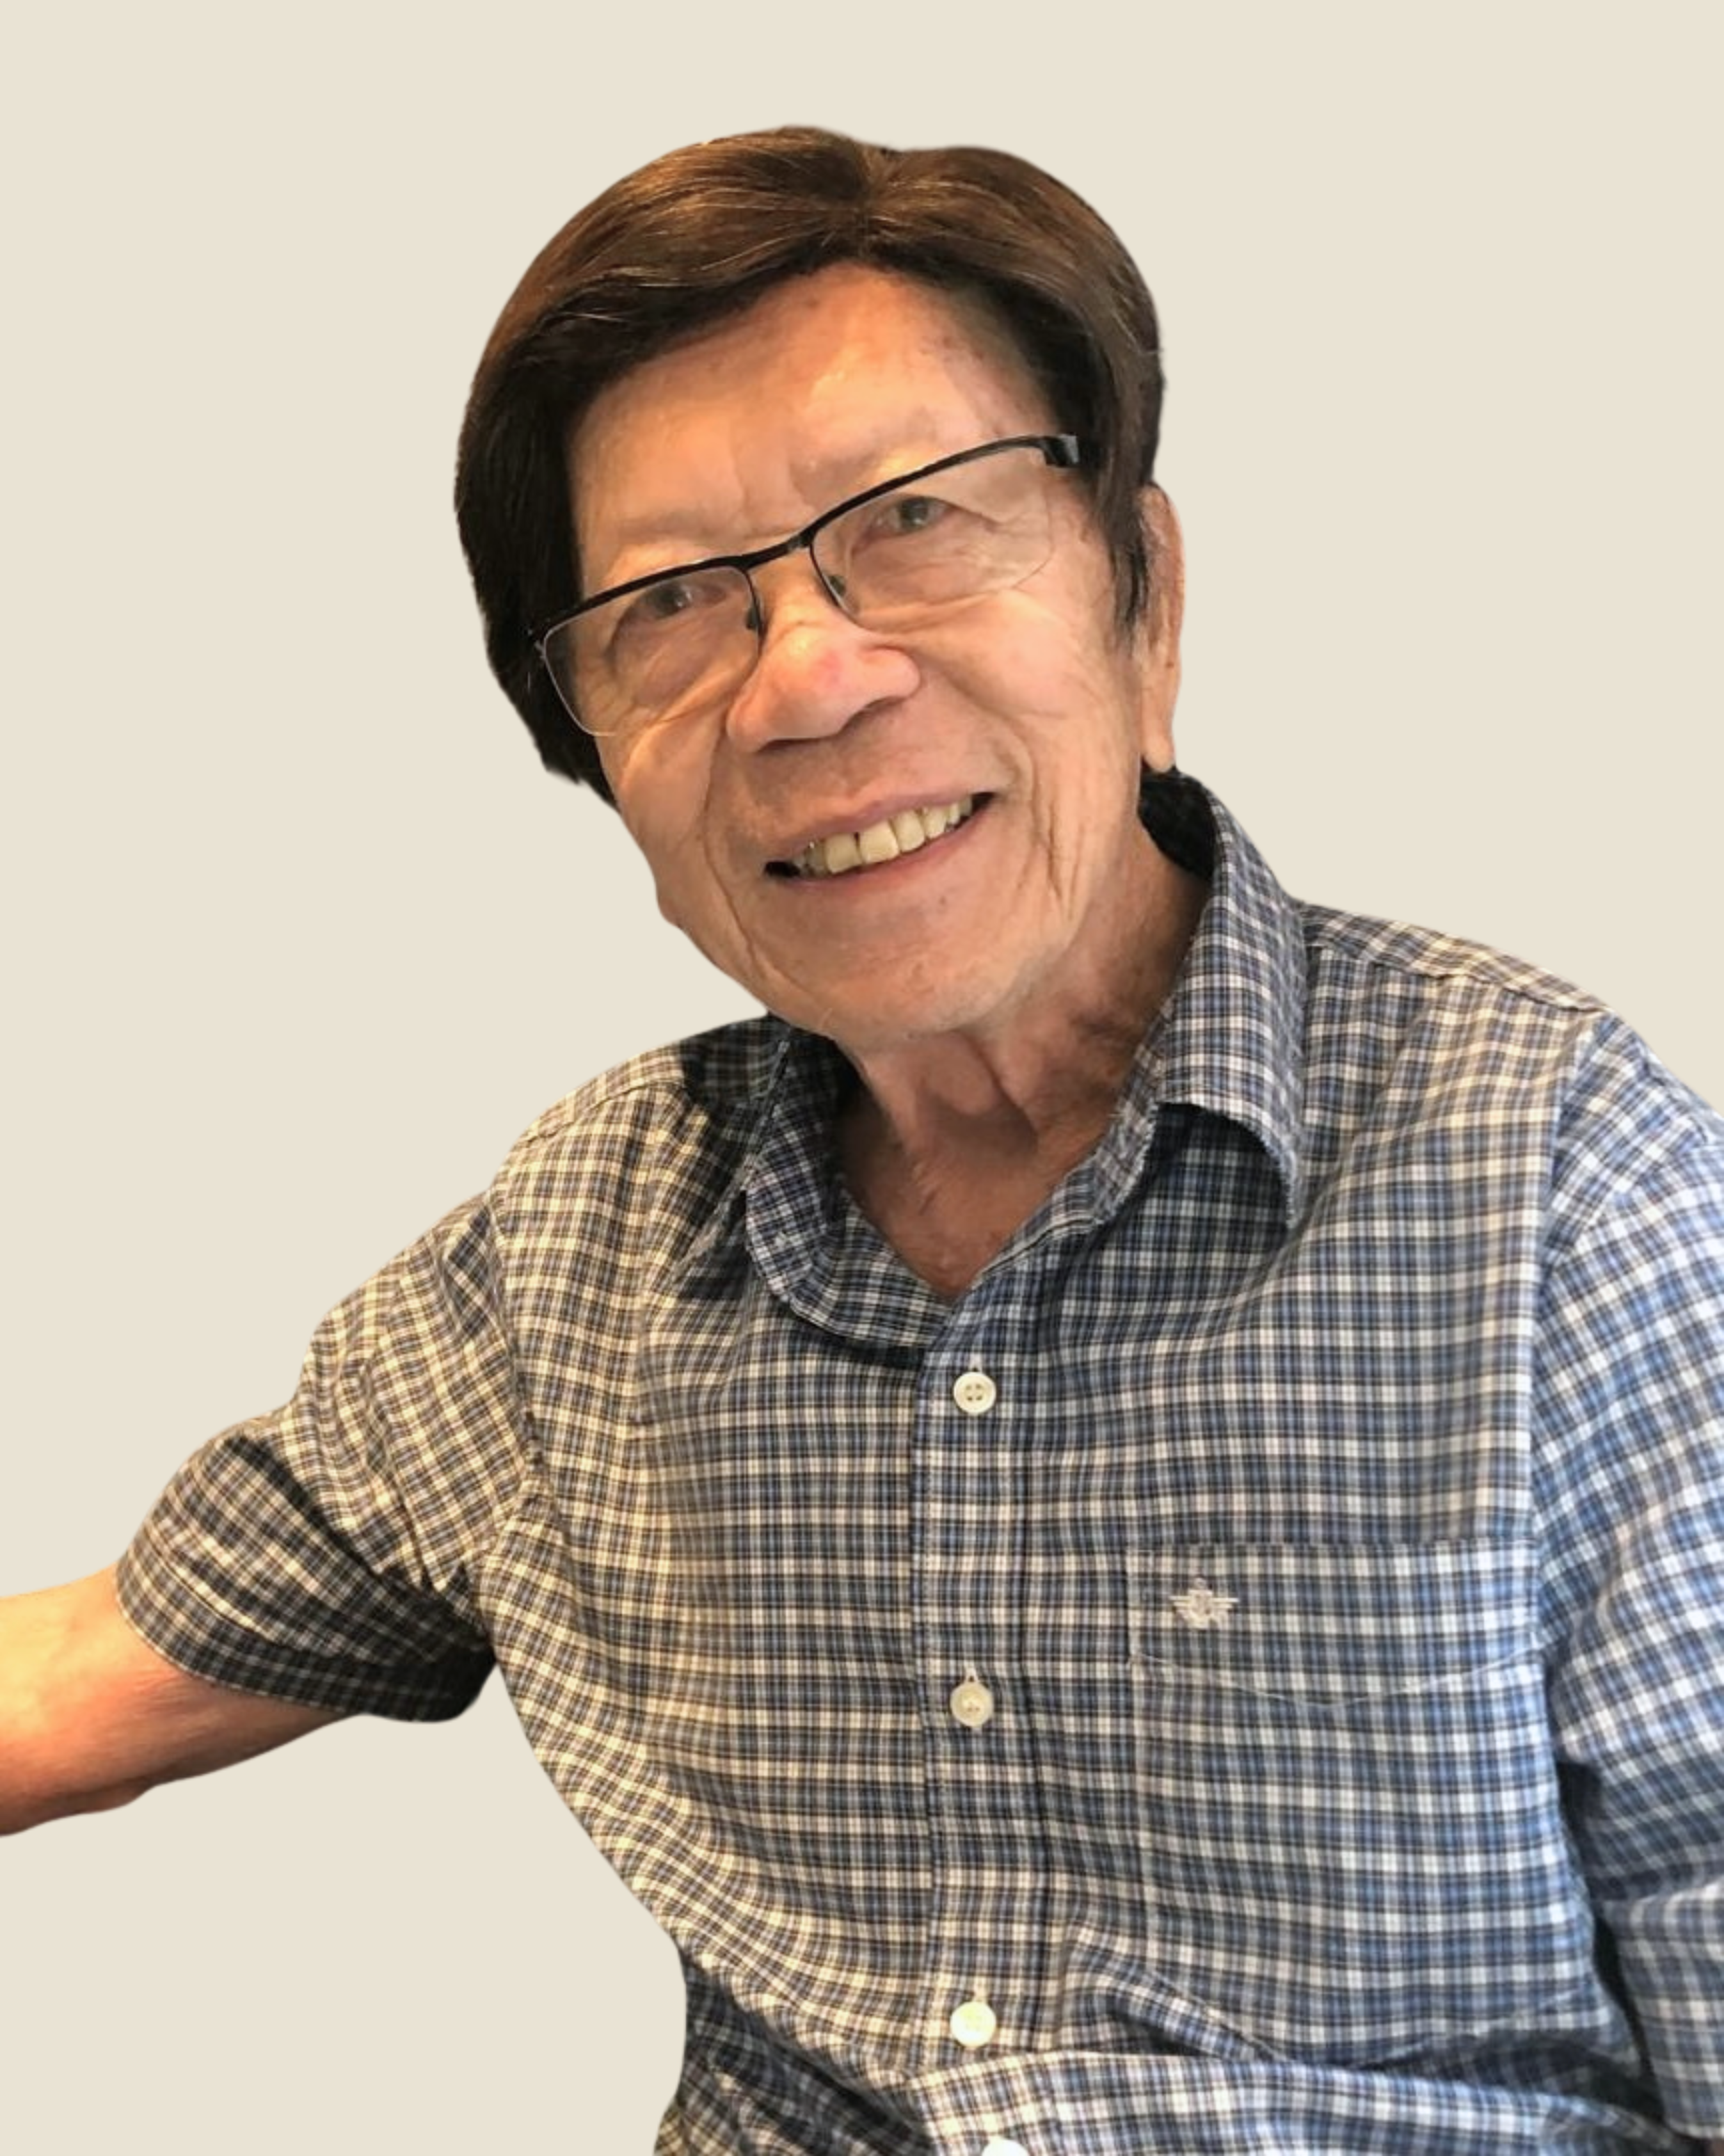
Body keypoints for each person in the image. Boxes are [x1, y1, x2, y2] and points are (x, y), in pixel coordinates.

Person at [3, 124, 1721, 2154]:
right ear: (600, 765)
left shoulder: (1551, 1180)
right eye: (669, 605)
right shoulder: (573, 1264)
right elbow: (92, 1673)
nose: (809, 681)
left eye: (913, 520)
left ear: (1144, 600)